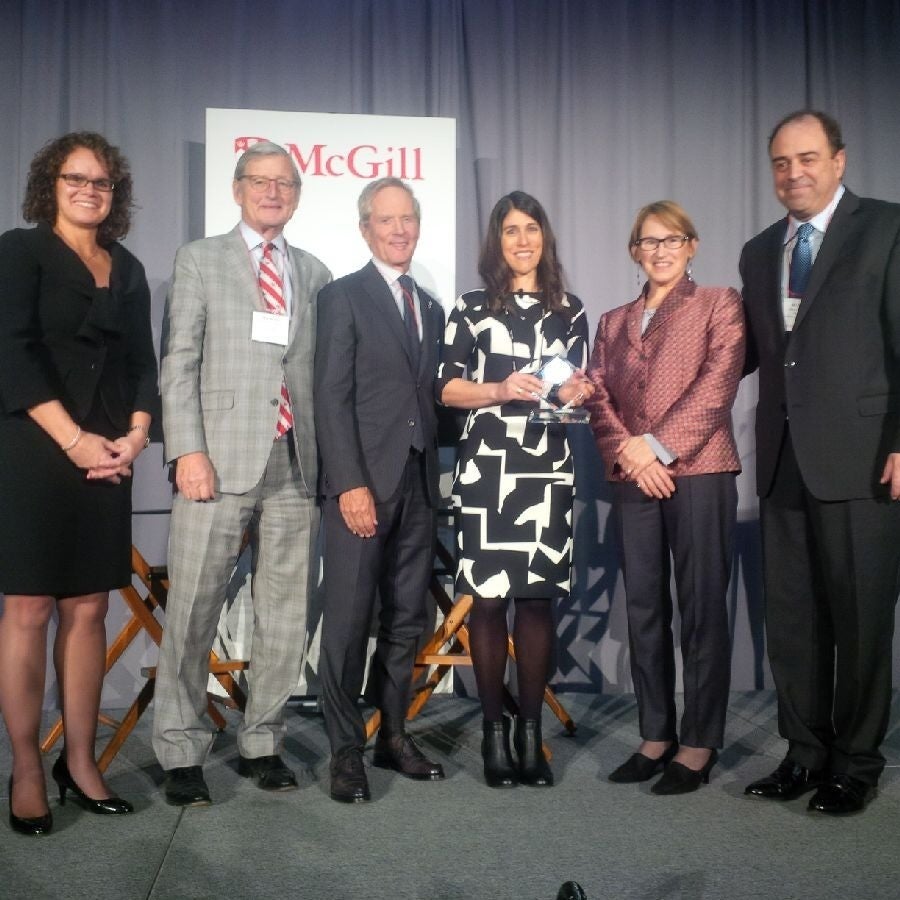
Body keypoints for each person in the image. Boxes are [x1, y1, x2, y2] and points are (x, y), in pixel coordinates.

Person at [152, 141, 331, 806]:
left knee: (284, 616)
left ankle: (263, 740)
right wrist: (187, 450)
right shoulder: (200, 260)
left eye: (284, 183)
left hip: (295, 462)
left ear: (296, 194)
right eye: (260, 181)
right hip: (217, 461)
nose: (272, 191)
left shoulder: (313, 271)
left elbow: (313, 371)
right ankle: (178, 748)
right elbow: (179, 362)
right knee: (194, 609)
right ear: (237, 189)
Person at [741, 110, 900, 816]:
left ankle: (856, 764)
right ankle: (803, 754)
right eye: (780, 162)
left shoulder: (888, 228)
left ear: (839, 160)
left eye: (807, 158)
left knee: (860, 619)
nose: (793, 173)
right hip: (782, 460)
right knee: (795, 620)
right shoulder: (757, 251)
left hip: (863, 458)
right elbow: (748, 354)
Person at [0, 132, 158, 834]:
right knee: (30, 610)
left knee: (91, 609)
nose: (89, 189)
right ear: (50, 185)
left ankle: (81, 761)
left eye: (101, 181)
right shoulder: (20, 251)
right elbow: (11, 351)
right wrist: (71, 438)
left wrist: (135, 434)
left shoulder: (127, 268)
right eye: (75, 177)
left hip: (107, 456)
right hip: (36, 449)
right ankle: (29, 766)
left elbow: (142, 366)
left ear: (114, 192)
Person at [585, 201, 745, 795]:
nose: (659, 250)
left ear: (692, 245)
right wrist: (630, 452)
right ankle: (656, 735)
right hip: (634, 477)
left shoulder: (719, 304)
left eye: (670, 240)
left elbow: (717, 386)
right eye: (647, 242)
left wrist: (656, 449)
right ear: (634, 251)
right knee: (645, 610)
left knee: (701, 608)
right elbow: (597, 394)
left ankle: (698, 743)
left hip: (700, 472)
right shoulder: (612, 320)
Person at [437, 191, 594, 788]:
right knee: (489, 599)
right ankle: (493, 734)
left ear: (544, 237)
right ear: (495, 242)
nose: (522, 239)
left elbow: (568, 388)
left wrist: (578, 394)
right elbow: (446, 389)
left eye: (531, 229)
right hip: (488, 466)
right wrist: (501, 390)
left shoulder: (571, 311)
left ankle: (532, 733)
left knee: (536, 600)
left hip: (548, 465)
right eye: (510, 230)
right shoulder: (471, 306)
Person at [314, 177, 446, 804]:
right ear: (365, 229)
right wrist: (349, 484)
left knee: (405, 621)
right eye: (385, 220)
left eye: (407, 219)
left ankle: (392, 734)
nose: (399, 230)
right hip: (360, 488)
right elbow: (330, 398)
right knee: (345, 625)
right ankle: (345, 752)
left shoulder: (432, 306)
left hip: (419, 485)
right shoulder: (342, 297)